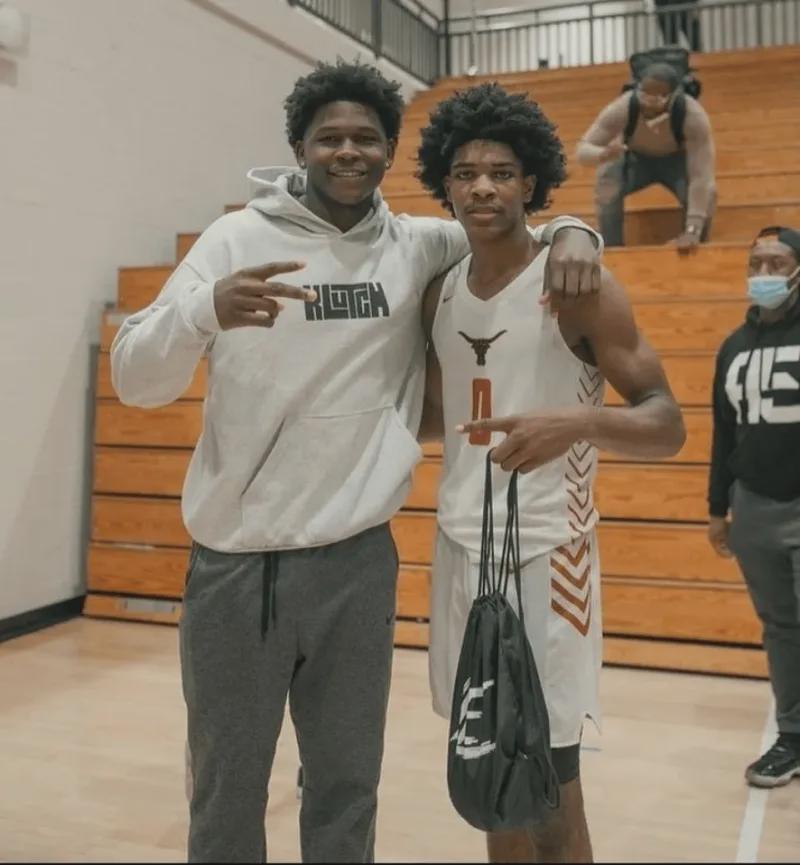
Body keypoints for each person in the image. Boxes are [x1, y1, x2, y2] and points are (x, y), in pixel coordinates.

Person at [110, 60, 604, 864]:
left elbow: (513, 222)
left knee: (347, 790)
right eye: (329, 137)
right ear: (298, 148)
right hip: (240, 567)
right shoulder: (235, 240)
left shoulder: (416, 243)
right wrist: (203, 311)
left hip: (357, 563)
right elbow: (134, 378)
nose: (348, 151)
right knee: (228, 791)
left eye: (366, 138)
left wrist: (580, 229)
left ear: (388, 151)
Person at [416, 82, 686, 863]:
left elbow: (666, 423)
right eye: (467, 173)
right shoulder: (440, 291)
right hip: (459, 548)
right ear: (445, 184)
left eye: (501, 172)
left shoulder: (576, 284)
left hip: (549, 552)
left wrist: (574, 422)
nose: (483, 188)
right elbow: (436, 415)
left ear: (530, 181)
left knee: (551, 780)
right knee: (488, 769)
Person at [708, 225, 800, 789]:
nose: (764, 273)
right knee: (781, 628)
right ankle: (792, 736)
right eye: (756, 262)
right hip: (755, 509)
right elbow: (724, 432)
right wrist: (717, 508)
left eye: (777, 263)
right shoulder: (733, 347)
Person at [575, 62, 715, 250]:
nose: (649, 102)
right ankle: (611, 246)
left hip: (676, 162)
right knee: (607, 178)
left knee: (708, 192)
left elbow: (700, 176)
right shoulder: (623, 107)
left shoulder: (693, 116)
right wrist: (603, 154)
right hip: (635, 159)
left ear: (674, 95)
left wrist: (693, 228)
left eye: (659, 97)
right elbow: (582, 150)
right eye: (644, 93)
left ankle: (695, 240)